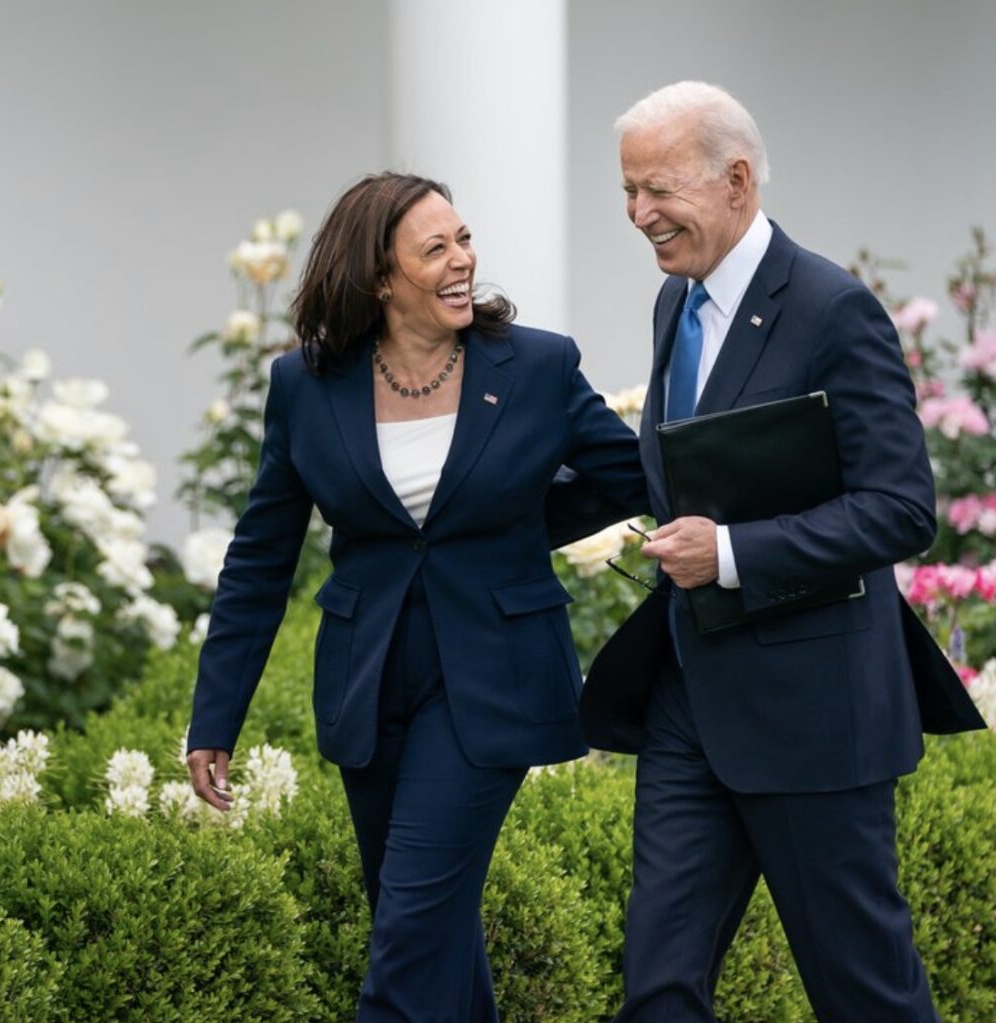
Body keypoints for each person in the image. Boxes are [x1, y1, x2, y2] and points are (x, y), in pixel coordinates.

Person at [566, 82, 985, 1022]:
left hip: (814, 711)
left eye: (658, 190)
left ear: (738, 181)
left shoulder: (835, 310)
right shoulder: (676, 304)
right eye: (627, 190)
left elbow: (900, 508)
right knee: (659, 988)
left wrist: (733, 552)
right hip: (689, 703)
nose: (639, 214)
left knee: (865, 995)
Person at [184, 171, 646, 1022]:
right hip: (370, 680)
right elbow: (260, 559)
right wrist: (215, 717)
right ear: (379, 277)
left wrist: (515, 527)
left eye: (464, 239)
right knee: (428, 929)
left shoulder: (537, 365)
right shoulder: (306, 384)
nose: (463, 259)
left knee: (407, 937)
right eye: (436, 248)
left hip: (492, 677)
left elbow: (628, 474)